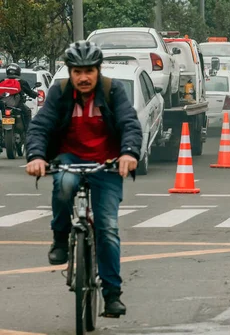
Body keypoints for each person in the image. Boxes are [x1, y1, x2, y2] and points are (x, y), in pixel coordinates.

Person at [25, 41, 143, 317]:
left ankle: (112, 294)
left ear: (98, 71)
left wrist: (129, 153)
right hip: (69, 158)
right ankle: (60, 237)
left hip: (108, 164)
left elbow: (129, 124)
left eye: (89, 71)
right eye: (77, 72)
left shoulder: (112, 91)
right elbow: (41, 126)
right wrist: (36, 156)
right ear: (70, 72)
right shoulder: (61, 92)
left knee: (108, 228)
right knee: (64, 185)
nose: (84, 77)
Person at [0, 64, 38, 132]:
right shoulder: (21, 82)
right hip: (18, 105)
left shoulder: (2, 81)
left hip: (3, 105)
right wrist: (36, 94)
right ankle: (29, 132)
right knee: (27, 112)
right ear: (18, 71)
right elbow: (29, 92)